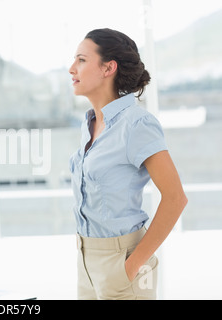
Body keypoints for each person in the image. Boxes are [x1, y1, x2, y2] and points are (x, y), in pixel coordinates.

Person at [69, 28, 187, 300]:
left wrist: (131, 266)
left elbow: (175, 198)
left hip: (123, 262)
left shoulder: (137, 124)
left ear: (108, 67)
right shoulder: (88, 125)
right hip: (86, 261)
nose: (72, 68)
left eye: (82, 60)